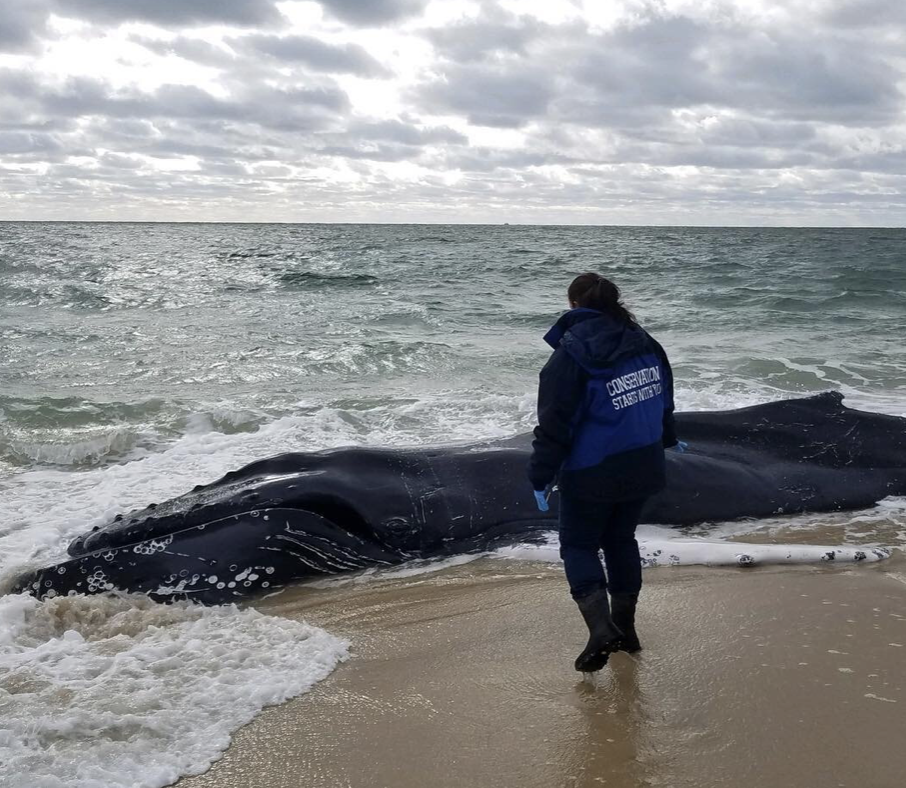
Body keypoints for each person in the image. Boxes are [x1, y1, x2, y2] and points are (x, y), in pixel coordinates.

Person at [528, 272, 680, 673]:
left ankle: (601, 630)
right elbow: (664, 396)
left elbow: (555, 426)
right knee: (620, 540)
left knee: (578, 546)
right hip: (643, 462)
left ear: (574, 305)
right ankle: (626, 631)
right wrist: (667, 437)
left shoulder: (570, 356)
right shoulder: (645, 342)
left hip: (592, 470)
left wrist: (540, 475)